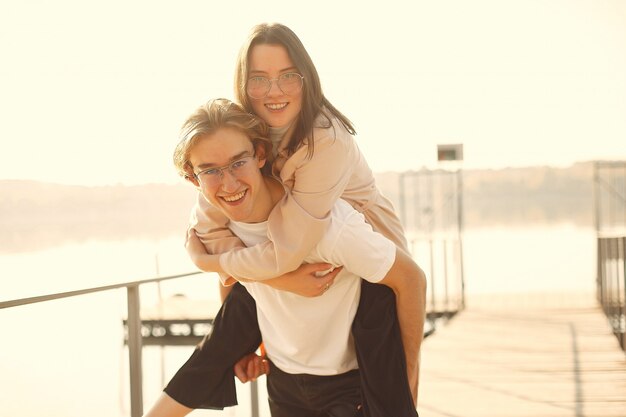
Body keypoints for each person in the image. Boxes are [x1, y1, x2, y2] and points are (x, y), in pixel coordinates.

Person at [144, 98, 426, 417]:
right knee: (206, 359)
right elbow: (235, 284)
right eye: (210, 170)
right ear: (193, 179)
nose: (229, 183)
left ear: (261, 154)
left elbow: (411, 279)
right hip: (283, 383)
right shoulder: (217, 224)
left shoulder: (329, 225)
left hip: (348, 387)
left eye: (239, 162)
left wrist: (408, 380)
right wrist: (246, 344)